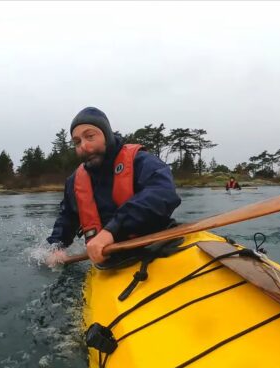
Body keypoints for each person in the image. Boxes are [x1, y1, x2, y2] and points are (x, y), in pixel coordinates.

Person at [45, 107, 181, 266]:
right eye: (77, 142)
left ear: (107, 136)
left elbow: (163, 193)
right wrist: (57, 247)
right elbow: (67, 218)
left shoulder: (141, 161)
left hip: (158, 246)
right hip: (111, 260)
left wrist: (113, 230)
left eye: (90, 136)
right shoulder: (75, 182)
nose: (83, 146)